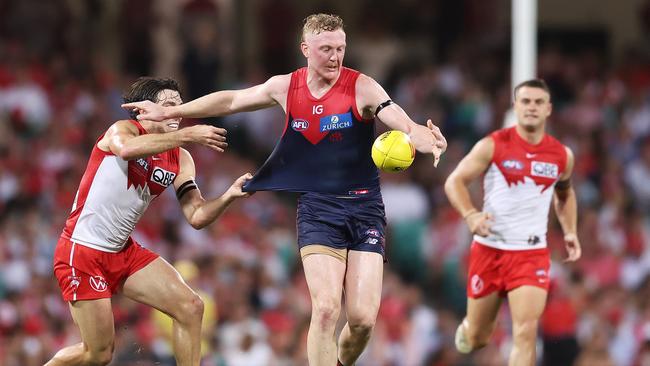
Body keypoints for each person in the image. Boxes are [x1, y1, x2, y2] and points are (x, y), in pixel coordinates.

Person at [122, 13, 447, 366]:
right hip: (318, 209)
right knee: (325, 309)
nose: (335, 57)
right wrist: (176, 111)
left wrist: (421, 135)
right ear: (305, 49)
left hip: (365, 208)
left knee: (363, 321)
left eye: (340, 48)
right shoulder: (285, 87)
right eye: (326, 49)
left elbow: (396, 116)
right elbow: (231, 100)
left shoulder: (362, 86)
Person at [46, 77, 252, 366]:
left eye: (179, 106)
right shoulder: (122, 129)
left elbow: (196, 215)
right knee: (98, 355)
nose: (176, 113)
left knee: (191, 307)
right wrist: (189, 136)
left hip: (122, 251)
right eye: (167, 106)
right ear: (144, 110)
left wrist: (229, 195)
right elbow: (127, 150)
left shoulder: (180, 158)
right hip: (82, 250)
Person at [444, 78, 581, 365]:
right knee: (479, 338)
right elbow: (454, 181)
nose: (532, 107)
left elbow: (565, 194)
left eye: (538, 102)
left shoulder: (562, 155)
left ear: (549, 109)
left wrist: (570, 231)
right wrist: (471, 216)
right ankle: (470, 329)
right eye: (526, 101)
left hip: (531, 253)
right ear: (515, 106)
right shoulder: (492, 145)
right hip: (489, 249)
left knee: (526, 332)